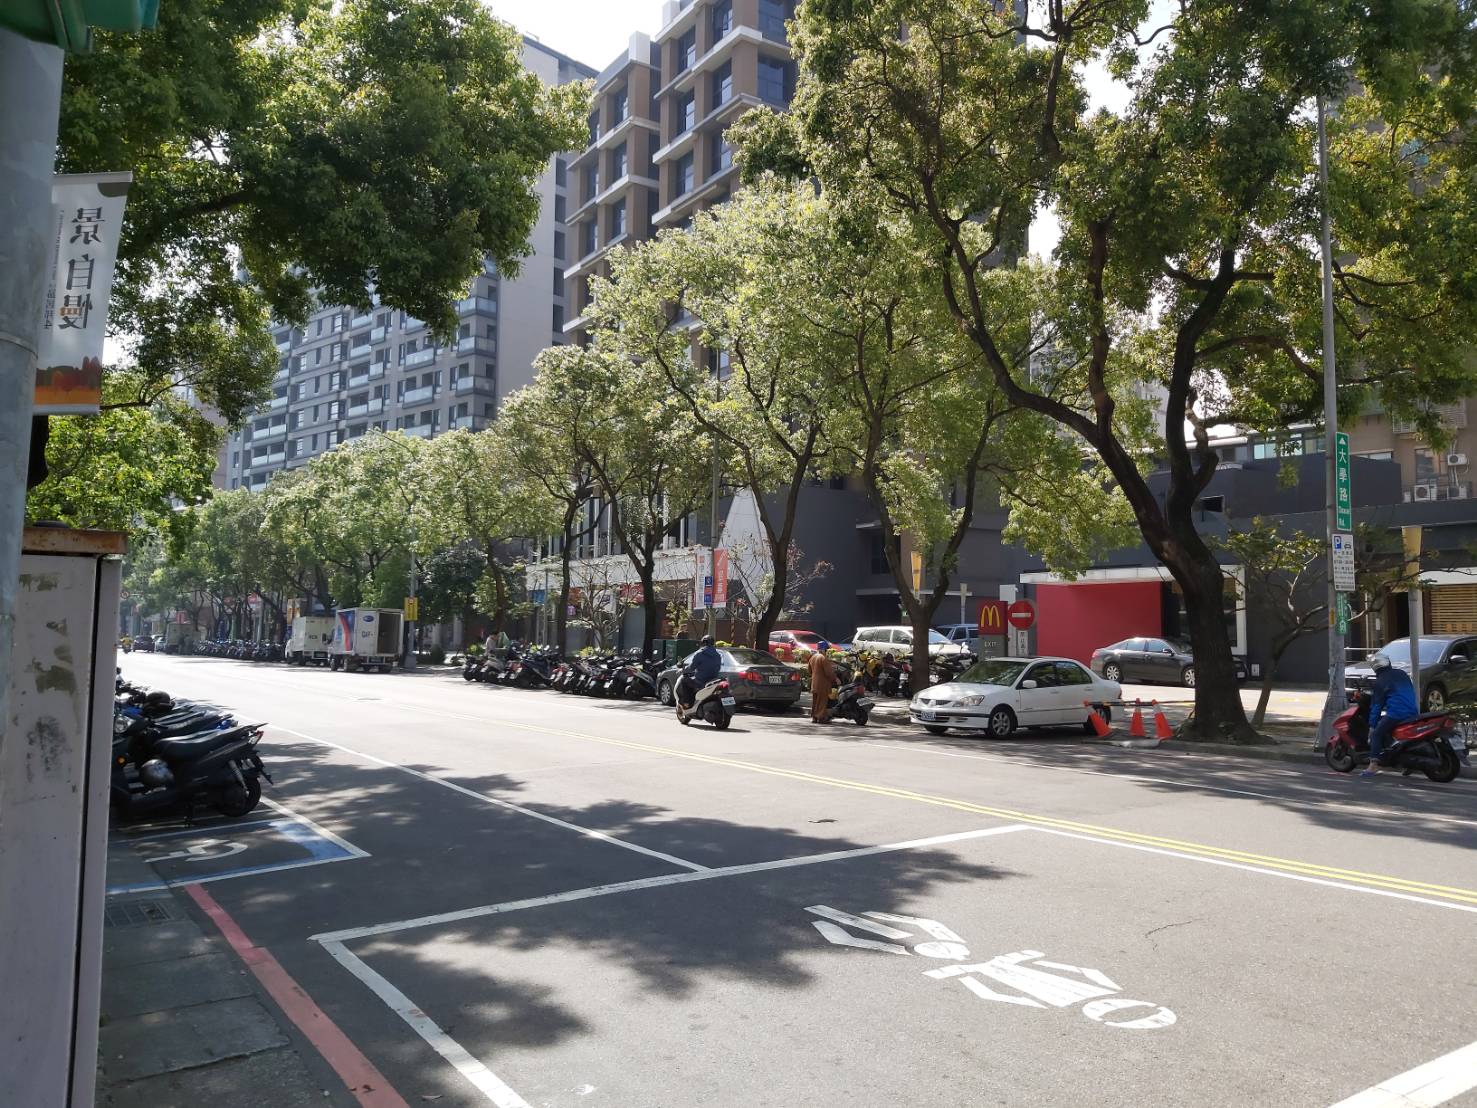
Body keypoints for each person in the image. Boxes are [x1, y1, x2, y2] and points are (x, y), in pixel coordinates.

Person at [1363, 652, 1418, 777]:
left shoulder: (1380, 681)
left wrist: (1372, 726)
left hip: (1396, 713)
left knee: (1376, 734)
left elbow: (1377, 706)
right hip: (1413, 711)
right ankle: (1405, 763)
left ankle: (1373, 766)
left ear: (1375, 667)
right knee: (1387, 727)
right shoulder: (1402, 674)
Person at [677, 635, 723, 710]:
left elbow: (692, 667)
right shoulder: (718, 655)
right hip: (713, 680)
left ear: (704, 643)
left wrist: (683, 670)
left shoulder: (700, 654)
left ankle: (687, 703)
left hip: (701, 681)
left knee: (684, 680)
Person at [808, 648, 838, 724]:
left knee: (815, 701)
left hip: (814, 683)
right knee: (822, 701)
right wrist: (835, 679)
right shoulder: (823, 658)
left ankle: (814, 717)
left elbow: (809, 670)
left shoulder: (813, 657)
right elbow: (829, 673)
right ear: (824, 650)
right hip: (823, 683)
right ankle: (821, 717)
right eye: (826, 650)